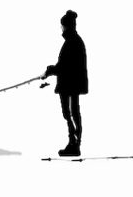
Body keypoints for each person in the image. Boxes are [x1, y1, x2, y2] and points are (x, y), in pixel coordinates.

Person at [42, 9, 88, 157]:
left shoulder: (72, 42)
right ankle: (73, 144)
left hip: (69, 85)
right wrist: (51, 70)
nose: (61, 28)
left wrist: (50, 70)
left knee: (70, 114)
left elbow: (64, 66)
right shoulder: (74, 41)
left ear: (67, 26)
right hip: (71, 85)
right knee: (72, 114)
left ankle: (74, 145)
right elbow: (65, 66)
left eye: (62, 25)